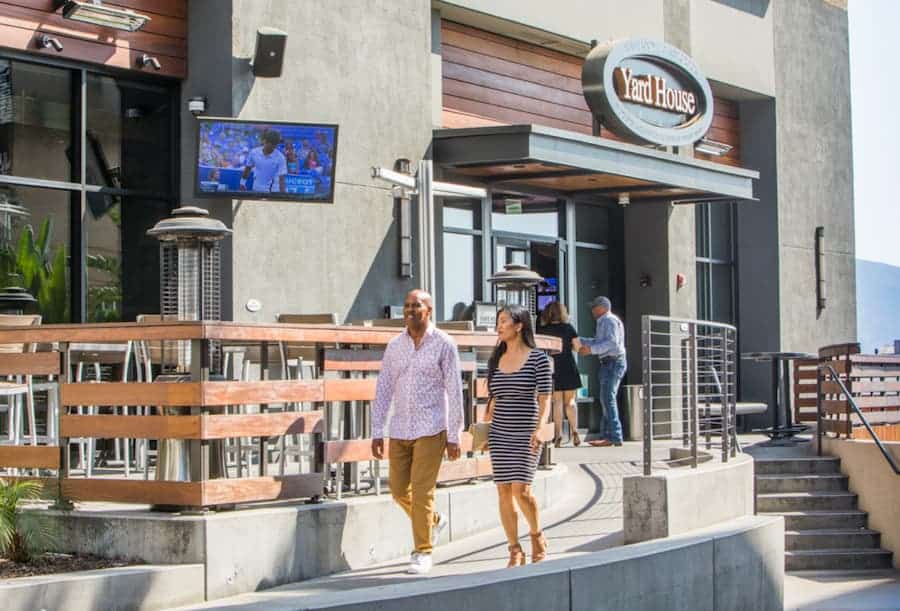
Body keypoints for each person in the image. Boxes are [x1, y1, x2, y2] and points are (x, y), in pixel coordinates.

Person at [371, 289, 464, 575]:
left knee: (423, 491)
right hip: (400, 428)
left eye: (417, 305)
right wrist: (377, 430)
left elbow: (454, 390)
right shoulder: (394, 346)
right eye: (407, 305)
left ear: (429, 310)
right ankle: (433, 521)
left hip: (431, 427)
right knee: (399, 490)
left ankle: (422, 551)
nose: (410, 310)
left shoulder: (444, 344)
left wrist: (454, 434)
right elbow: (384, 388)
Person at [485, 304, 553, 567]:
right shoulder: (496, 358)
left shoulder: (538, 359)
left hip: (526, 431)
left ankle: (536, 535)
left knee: (521, 490)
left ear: (519, 325)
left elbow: (545, 399)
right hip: (500, 431)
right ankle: (514, 549)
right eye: (498, 321)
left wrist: (539, 427)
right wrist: (485, 427)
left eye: (504, 321)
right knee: (503, 490)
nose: (499, 326)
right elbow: (493, 397)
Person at [576, 296, 627, 447]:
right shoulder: (603, 321)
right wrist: (582, 341)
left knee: (608, 399)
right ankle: (607, 436)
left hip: (613, 362)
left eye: (595, 307)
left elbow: (612, 343)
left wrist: (591, 349)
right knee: (606, 399)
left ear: (603, 307)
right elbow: (600, 342)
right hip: (609, 362)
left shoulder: (609, 320)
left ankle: (613, 437)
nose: (592, 310)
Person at [537, 302, 582, 447]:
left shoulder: (543, 330)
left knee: (557, 402)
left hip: (552, 368)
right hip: (568, 366)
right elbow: (578, 347)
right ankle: (575, 431)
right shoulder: (569, 328)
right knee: (570, 402)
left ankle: (558, 435)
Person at [240, 128, 287, 193]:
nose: (274, 146)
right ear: (265, 141)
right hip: (256, 189)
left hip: (273, 192)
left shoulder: (281, 158)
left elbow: (282, 179)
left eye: (275, 144)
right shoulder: (254, 153)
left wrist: (283, 196)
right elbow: (248, 168)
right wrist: (242, 183)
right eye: (272, 144)